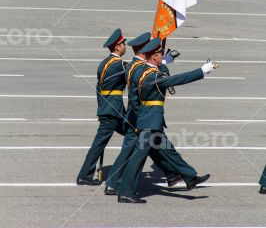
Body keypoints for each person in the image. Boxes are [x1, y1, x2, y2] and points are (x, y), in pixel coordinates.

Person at [118, 38, 215, 203]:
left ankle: (189, 177)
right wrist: (202, 71)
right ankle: (126, 192)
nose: (161, 57)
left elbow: (135, 100)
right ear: (154, 57)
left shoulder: (141, 71)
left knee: (168, 151)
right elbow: (177, 80)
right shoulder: (150, 76)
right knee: (138, 158)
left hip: (149, 120)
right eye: (160, 55)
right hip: (149, 121)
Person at [105, 32, 182, 195]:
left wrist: (162, 61)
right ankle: (115, 183)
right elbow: (158, 78)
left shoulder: (135, 63)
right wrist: (164, 63)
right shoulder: (139, 66)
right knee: (142, 147)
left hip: (139, 115)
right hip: (140, 116)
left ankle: (172, 174)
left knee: (154, 145)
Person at [77, 28, 127, 186]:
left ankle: (170, 171)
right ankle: (85, 176)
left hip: (111, 110)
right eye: (123, 43)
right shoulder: (117, 64)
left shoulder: (105, 63)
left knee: (138, 136)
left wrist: (101, 109)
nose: (126, 45)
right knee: (137, 137)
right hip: (113, 111)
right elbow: (136, 71)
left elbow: (99, 89)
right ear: (117, 47)